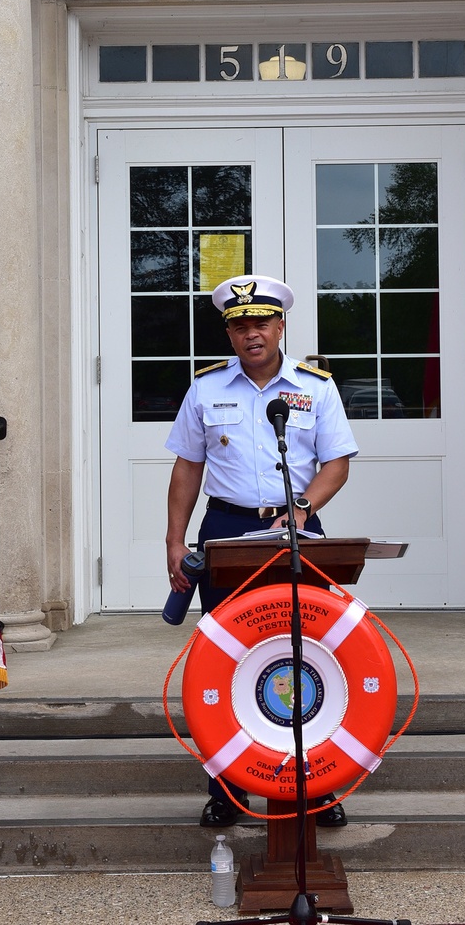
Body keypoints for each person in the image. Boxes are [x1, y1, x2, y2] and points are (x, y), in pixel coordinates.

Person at [165, 274, 357, 828]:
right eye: (240, 325)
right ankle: (228, 788)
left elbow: (337, 464)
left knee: (311, 657)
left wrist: (300, 509)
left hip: (296, 525)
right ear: (229, 333)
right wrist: (176, 540)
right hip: (225, 528)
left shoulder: (315, 387)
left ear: (280, 327)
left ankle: (318, 787)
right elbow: (187, 468)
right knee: (226, 662)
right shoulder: (205, 389)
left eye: (261, 323)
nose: (252, 334)